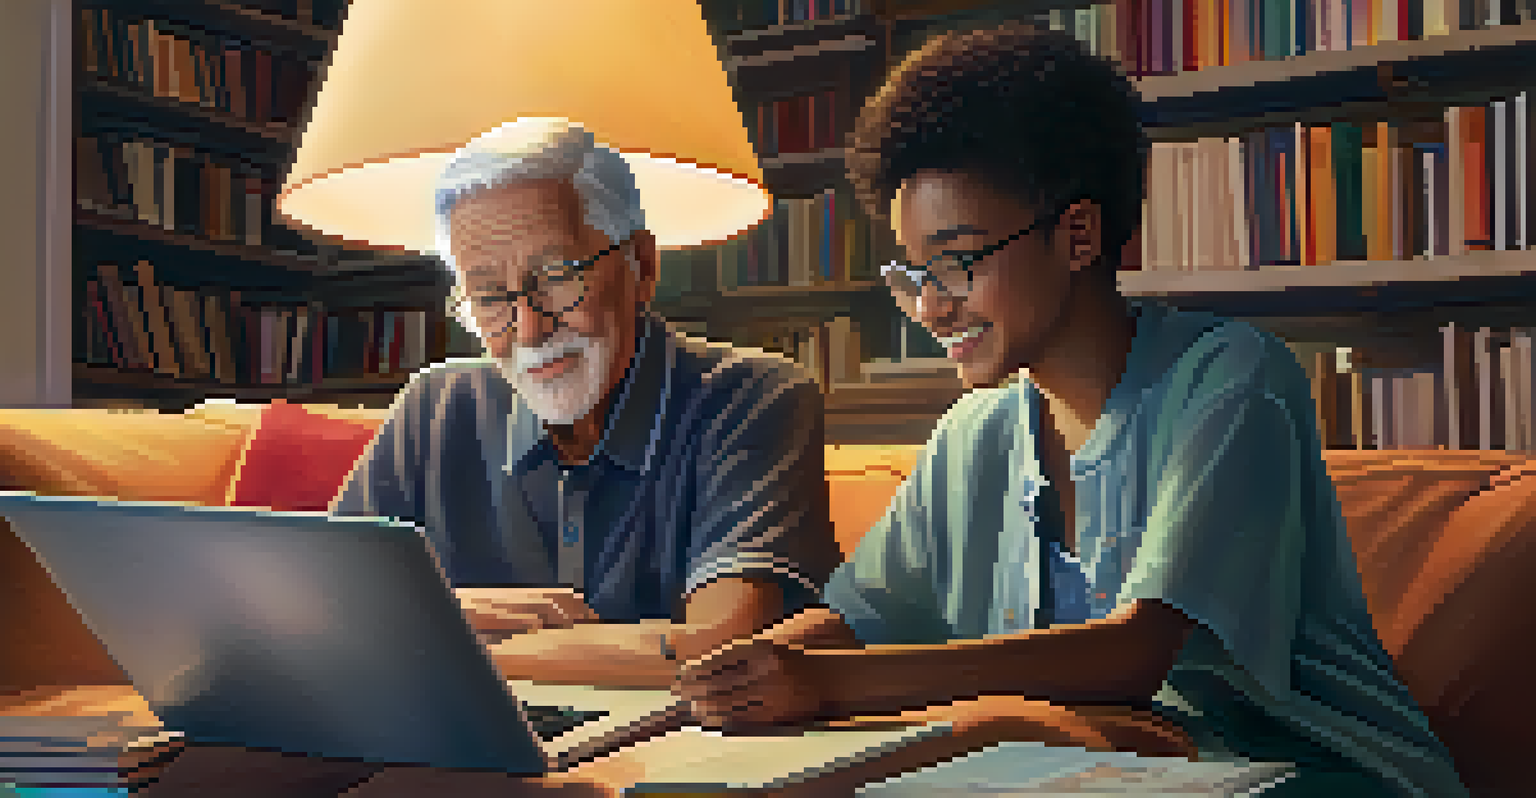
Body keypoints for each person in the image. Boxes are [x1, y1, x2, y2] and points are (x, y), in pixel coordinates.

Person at [674, 22, 1471, 798]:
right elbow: (857, 616)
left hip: (1305, 772)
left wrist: (821, 683)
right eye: (911, 274)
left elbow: (1134, 654)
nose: (930, 309)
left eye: (955, 262)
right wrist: (739, 672)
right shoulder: (973, 434)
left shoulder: (1232, 380)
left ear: (1078, 233)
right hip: (1098, 772)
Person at [330, 118, 840, 686]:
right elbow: (324, 616)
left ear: (642, 267)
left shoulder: (752, 398)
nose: (526, 328)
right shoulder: (435, 406)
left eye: (554, 276)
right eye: (488, 297)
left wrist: (436, 648)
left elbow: (720, 650)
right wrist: (463, 614)